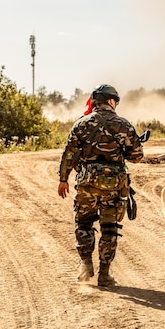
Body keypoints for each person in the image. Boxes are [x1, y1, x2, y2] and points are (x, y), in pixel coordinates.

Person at [58, 84, 144, 287]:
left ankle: (86, 264)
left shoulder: (81, 124)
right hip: (113, 186)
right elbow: (137, 156)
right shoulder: (124, 125)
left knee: (84, 223)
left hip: (87, 184)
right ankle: (104, 274)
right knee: (110, 227)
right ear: (112, 101)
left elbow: (69, 153)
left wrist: (63, 179)